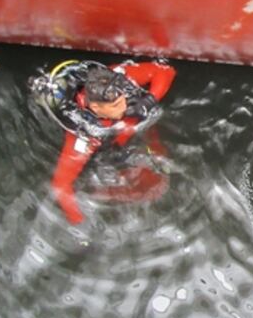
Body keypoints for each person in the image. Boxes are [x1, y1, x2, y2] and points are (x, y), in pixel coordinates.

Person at [30, 59, 175, 224]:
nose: (124, 106)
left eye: (122, 100)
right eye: (115, 105)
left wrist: (147, 102)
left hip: (130, 131)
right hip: (109, 147)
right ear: (96, 108)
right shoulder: (84, 137)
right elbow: (61, 184)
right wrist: (78, 220)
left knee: (158, 174)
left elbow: (165, 70)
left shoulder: (118, 81)